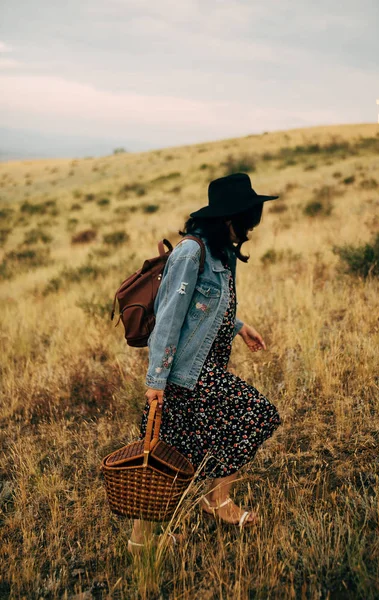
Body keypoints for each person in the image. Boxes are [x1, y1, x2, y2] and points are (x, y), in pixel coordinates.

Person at [128, 172, 282, 552]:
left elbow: (207, 310)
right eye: (246, 219)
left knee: (174, 450)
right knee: (249, 414)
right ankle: (214, 505)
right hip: (184, 374)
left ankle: (159, 531)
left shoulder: (221, 252)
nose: (249, 228)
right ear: (228, 218)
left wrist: (240, 328)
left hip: (206, 371)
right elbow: (169, 319)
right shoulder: (190, 253)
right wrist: (156, 381)